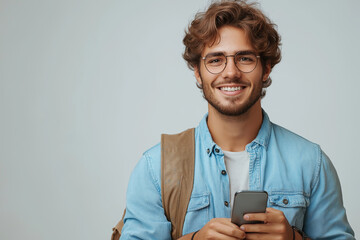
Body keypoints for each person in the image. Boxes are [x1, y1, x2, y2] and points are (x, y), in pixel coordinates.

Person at [119, 1, 355, 239]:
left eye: (244, 58)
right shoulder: (155, 167)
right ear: (198, 72)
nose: (230, 72)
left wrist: (294, 238)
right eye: (215, 60)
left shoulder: (311, 163)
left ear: (266, 68)